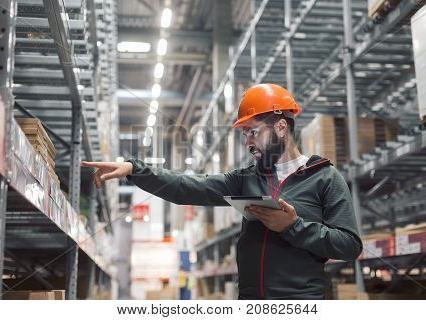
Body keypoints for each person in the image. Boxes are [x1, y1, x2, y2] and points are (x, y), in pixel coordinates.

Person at [83, 83, 362, 300]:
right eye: (245, 135)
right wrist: (134, 169)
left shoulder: (324, 178)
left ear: (280, 127)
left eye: (253, 132)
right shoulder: (244, 179)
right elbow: (186, 188)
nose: (248, 142)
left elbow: (350, 245)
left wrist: (294, 226)